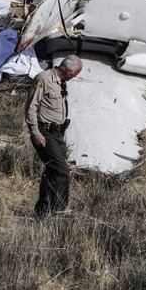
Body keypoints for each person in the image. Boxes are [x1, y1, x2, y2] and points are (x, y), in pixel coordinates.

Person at [25, 55, 83, 218]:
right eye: (76, 73)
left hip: (57, 134)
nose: (76, 76)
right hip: (45, 133)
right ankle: (57, 208)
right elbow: (31, 107)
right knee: (61, 171)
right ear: (70, 71)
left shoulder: (61, 82)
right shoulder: (43, 80)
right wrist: (36, 133)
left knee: (53, 171)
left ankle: (44, 212)